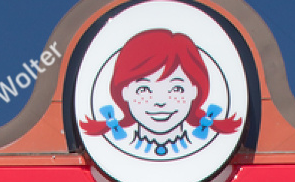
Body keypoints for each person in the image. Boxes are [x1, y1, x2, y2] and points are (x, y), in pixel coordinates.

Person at [80, 27, 242, 158]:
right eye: (143, 90)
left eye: (176, 88)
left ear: (195, 90)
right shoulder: (118, 150)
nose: (160, 101)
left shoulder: (204, 150)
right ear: (124, 92)